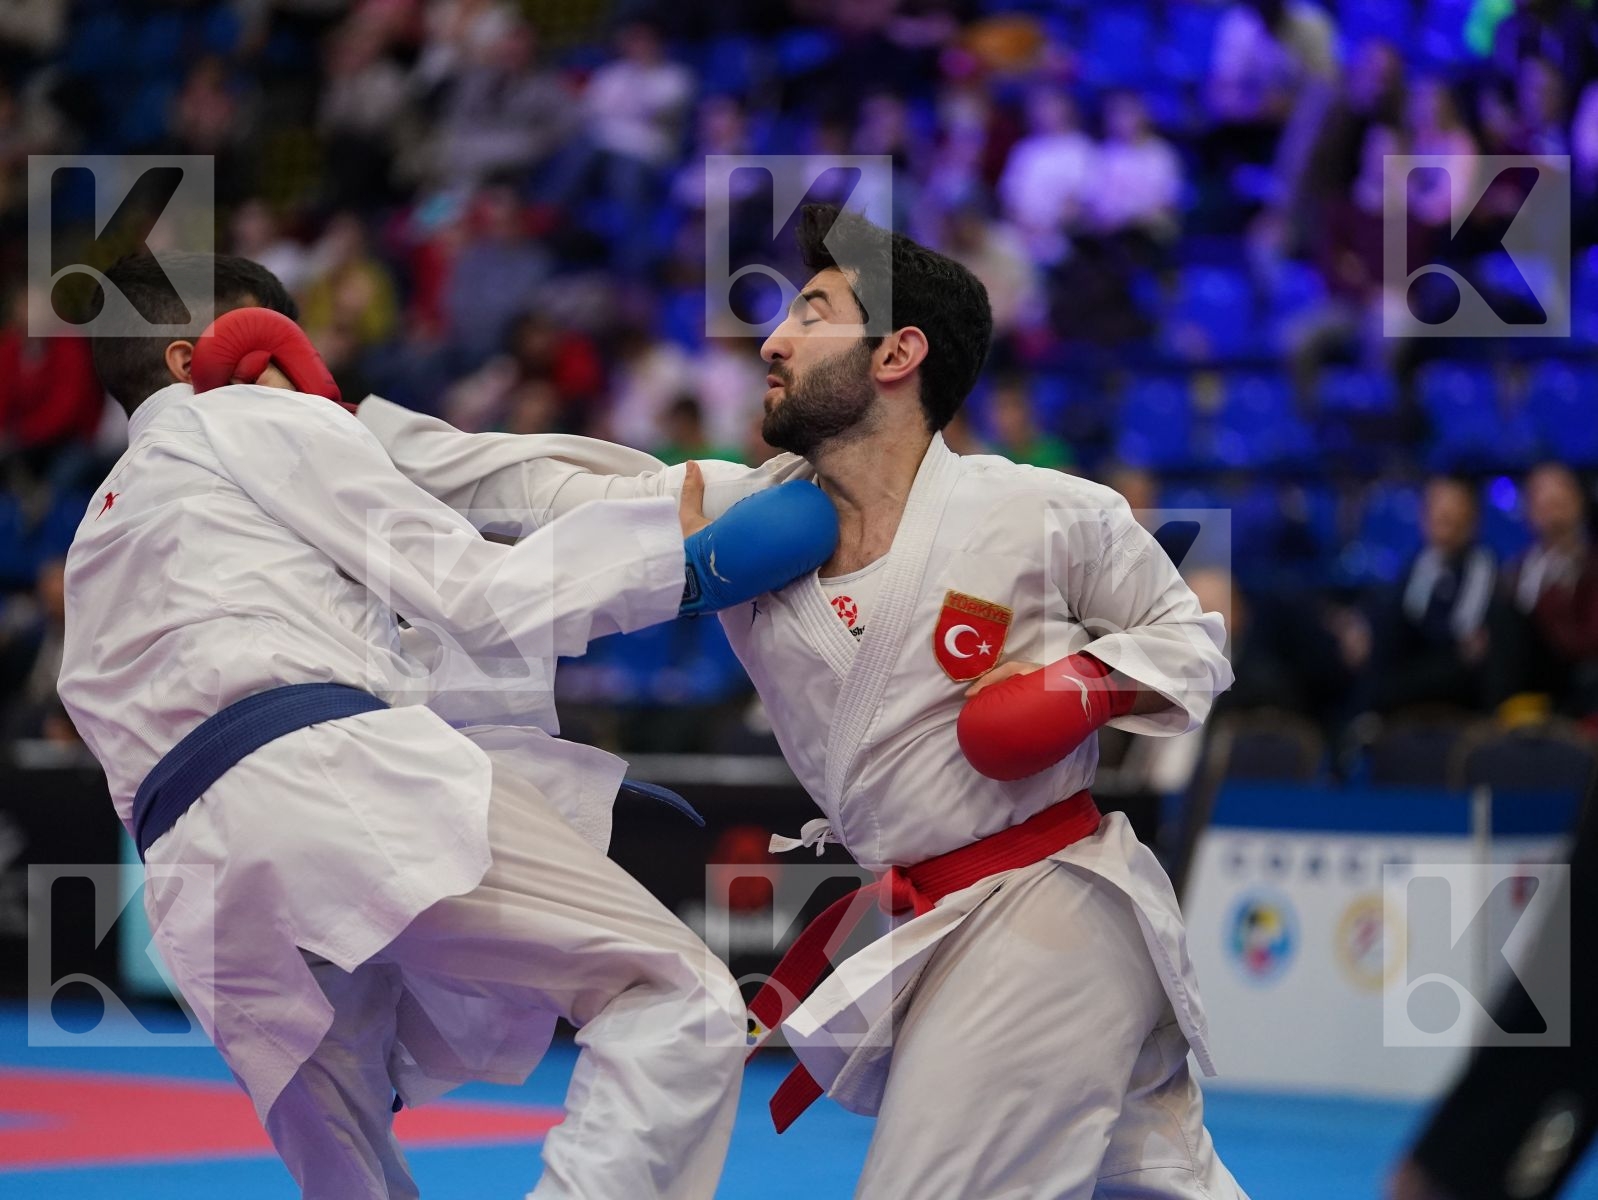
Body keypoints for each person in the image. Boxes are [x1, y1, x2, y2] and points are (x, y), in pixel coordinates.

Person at [357, 204, 1247, 1198]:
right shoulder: (746, 522)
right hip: (932, 920)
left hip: (1048, 904)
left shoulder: (1039, 511)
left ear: (896, 353)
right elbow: (541, 483)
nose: (772, 341)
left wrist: (1084, 682)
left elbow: (1189, 635)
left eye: (811, 313)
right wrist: (311, 431)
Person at [57, 252, 837, 1200]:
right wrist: (682, 573)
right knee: (677, 996)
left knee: (350, 1169)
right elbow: (472, 591)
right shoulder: (248, 409)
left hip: (194, 884)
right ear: (198, 358)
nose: (307, 369)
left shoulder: (98, 531)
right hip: (324, 778)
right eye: (277, 341)